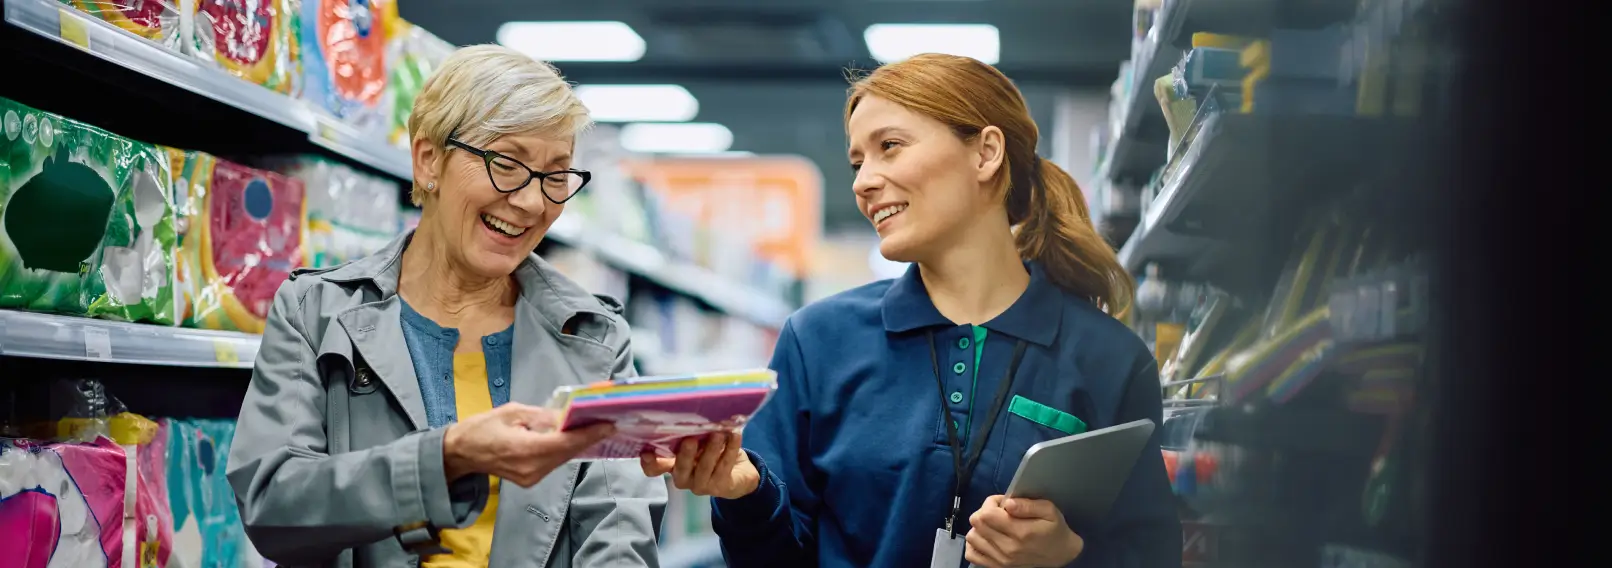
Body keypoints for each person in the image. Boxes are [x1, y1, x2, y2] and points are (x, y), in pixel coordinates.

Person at [641, 53, 1181, 568]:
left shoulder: (1110, 359)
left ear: (986, 154)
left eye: (890, 147)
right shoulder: (817, 342)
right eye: (857, 161)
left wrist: (1068, 556)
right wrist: (747, 497)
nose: (862, 181)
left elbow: (1154, 554)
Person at [227, 45, 665, 568]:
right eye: (507, 163)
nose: (531, 202)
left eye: (555, 175)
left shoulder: (594, 336)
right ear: (428, 158)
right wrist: (446, 458)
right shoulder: (316, 311)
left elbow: (617, 535)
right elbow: (274, 507)